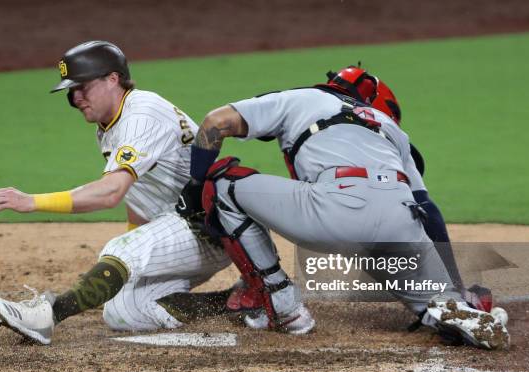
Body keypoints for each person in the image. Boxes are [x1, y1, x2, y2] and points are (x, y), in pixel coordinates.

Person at [175, 70, 510, 349]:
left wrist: (194, 184)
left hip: (337, 209)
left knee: (222, 184)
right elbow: (428, 210)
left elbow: (215, 122)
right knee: (436, 302)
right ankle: (453, 307)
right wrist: (453, 284)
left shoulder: (306, 97)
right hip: (400, 220)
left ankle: (281, 302)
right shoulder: (391, 129)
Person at [0, 40, 231, 345]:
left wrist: (32, 202)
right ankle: (235, 303)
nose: (75, 98)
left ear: (112, 79)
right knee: (123, 311)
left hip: (213, 228)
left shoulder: (142, 116)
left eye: (82, 88)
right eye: (71, 93)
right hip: (184, 228)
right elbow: (139, 195)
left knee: (120, 249)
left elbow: (110, 192)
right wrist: (136, 254)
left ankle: (48, 315)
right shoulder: (111, 124)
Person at [324, 65, 493, 313]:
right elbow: (426, 208)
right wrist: (455, 284)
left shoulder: (314, 127)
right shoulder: (385, 137)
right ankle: (451, 297)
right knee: (404, 213)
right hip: (380, 231)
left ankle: (259, 290)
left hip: (325, 226)